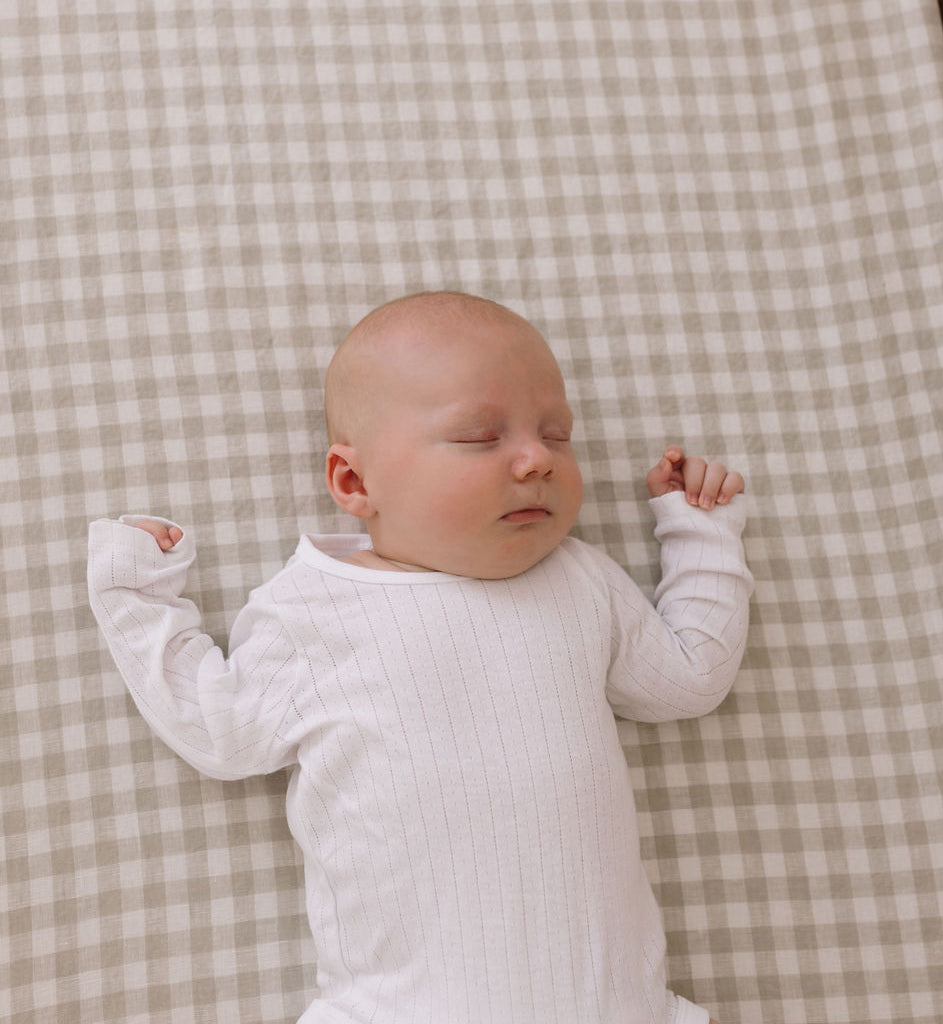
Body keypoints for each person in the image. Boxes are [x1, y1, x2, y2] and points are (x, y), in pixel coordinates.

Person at [87, 291, 754, 1024]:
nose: (536, 459)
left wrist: (700, 534)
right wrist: (137, 593)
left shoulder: (579, 579)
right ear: (354, 482)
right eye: (479, 438)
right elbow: (221, 729)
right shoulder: (314, 609)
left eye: (558, 435)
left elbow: (689, 678)